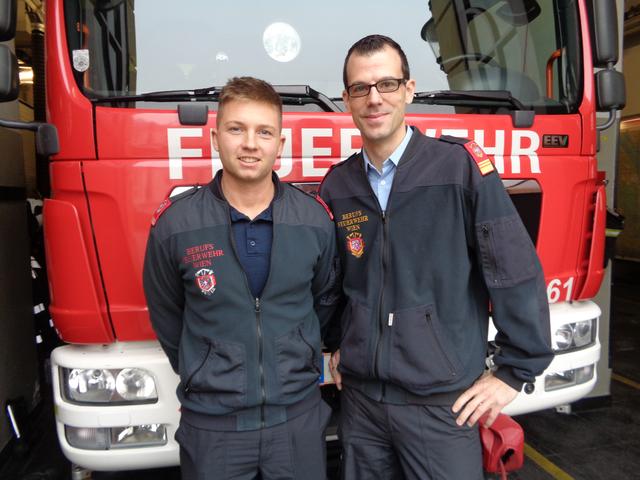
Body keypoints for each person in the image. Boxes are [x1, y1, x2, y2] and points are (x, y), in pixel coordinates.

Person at [318, 35, 553, 479]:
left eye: (386, 84)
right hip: (362, 406)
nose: (374, 99)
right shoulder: (338, 185)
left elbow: (514, 271)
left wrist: (512, 371)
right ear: (347, 99)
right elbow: (334, 283)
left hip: (441, 407)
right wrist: (331, 344)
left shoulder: (459, 169)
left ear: (409, 89)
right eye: (360, 88)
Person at [143, 76, 340, 480]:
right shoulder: (176, 225)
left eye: (263, 132)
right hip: (213, 429)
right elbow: (167, 313)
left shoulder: (315, 220)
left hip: (297, 422)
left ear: (279, 145)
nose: (250, 143)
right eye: (237, 129)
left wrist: (297, 352)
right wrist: (206, 368)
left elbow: (324, 300)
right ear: (216, 138)